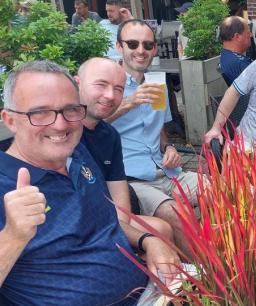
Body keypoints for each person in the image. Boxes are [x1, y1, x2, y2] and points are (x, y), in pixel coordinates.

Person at [0, 60, 177, 304]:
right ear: (10, 120)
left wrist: (149, 241)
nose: (60, 124)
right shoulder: (5, 184)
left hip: (148, 293)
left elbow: (109, 223)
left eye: (70, 109)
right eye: (39, 112)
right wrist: (13, 236)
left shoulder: (79, 155)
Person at [107, 19, 200, 256]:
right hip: (133, 180)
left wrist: (169, 149)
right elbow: (91, 123)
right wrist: (129, 102)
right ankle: (209, 277)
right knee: (175, 214)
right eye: (132, 43)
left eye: (147, 45)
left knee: (222, 192)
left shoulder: (157, 83)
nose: (141, 50)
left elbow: (160, 130)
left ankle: (232, 254)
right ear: (119, 47)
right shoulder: (110, 86)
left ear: (154, 50)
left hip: (167, 172)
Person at [76, 57, 175, 241]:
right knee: (168, 219)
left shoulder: (109, 135)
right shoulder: (62, 132)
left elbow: (121, 209)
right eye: (101, 85)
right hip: (71, 225)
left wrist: (143, 240)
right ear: (77, 84)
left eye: (118, 89)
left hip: (106, 215)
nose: (110, 95)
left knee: (162, 230)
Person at [218, 16, 253, 86]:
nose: (251, 35)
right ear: (237, 36)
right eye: (248, 33)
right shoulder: (240, 63)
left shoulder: (226, 55)